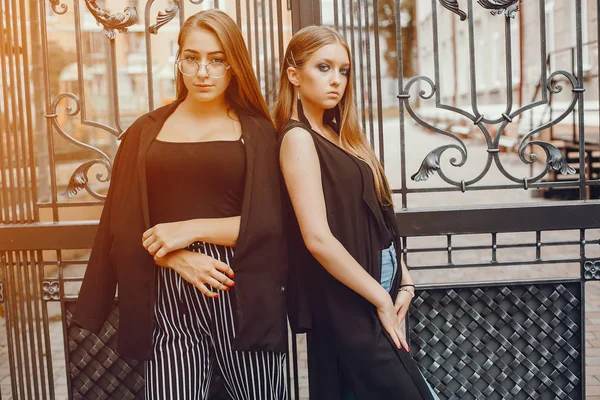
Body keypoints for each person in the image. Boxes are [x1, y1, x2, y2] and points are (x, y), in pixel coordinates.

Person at [72, 10, 288, 400]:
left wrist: (189, 229)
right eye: (192, 57)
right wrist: (171, 256)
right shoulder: (144, 132)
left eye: (217, 59)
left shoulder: (257, 132)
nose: (203, 71)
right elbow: (122, 223)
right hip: (167, 298)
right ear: (179, 60)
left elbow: (274, 223)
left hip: (242, 291)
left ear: (234, 65)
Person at [274, 25, 439, 400]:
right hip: (350, 292)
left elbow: (379, 218)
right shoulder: (298, 137)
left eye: (343, 70)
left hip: (381, 283)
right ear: (294, 74)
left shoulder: (343, 135)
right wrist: (379, 299)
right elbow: (316, 238)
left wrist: (405, 280)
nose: (337, 80)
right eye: (324, 67)